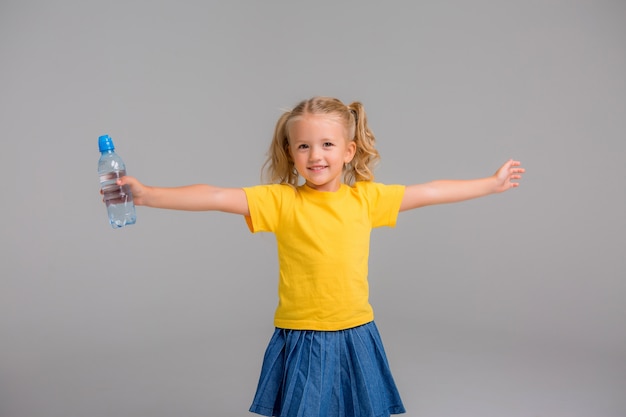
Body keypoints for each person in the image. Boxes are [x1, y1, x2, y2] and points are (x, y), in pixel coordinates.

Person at [113, 96, 525, 417]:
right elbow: (216, 195)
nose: (316, 156)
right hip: (305, 334)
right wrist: (149, 195)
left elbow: (431, 190)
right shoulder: (281, 201)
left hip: (357, 331)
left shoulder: (367, 199)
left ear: (348, 151)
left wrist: (490, 184)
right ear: (291, 153)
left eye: (327, 144)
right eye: (304, 146)